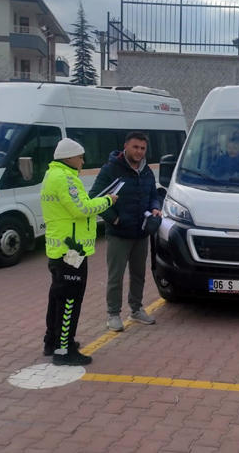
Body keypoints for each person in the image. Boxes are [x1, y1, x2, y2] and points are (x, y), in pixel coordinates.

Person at [40, 138, 118, 366]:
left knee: (57, 297)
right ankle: (64, 350)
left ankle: (52, 341)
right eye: (80, 156)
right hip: (71, 251)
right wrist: (108, 200)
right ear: (69, 158)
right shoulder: (66, 179)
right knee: (70, 301)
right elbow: (82, 208)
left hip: (59, 248)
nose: (83, 161)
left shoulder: (52, 175)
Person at [89, 131, 162, 332]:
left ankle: (136, 309)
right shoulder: (111, 169)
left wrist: (155, 206)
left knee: (138, 274)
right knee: (116, 276)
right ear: (126, 147)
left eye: (143, 148)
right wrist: (115, 218)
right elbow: (95, 197)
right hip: (118, 233)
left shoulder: (146, 171)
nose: (139, 152)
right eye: (135, 147)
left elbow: (153, 194)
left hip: (141, 232)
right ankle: (113, 314)